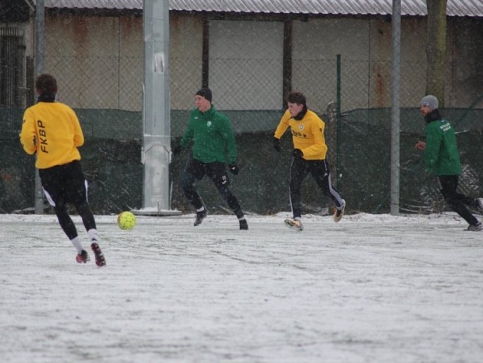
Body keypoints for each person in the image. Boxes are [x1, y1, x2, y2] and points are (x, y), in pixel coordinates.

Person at [20, 73, 106, 266]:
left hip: (49, 169)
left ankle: (81, 251)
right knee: (82, 204)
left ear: (37, 91)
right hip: (71, 165)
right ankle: (94, 239)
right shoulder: (67, 110)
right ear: (56, 90)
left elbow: (27, 139)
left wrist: (33, 148)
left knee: (60, 209)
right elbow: (79, 140)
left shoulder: (32, 112)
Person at [173, 87, 248, 230]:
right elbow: (189, 132)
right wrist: (181, 146)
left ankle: (241, 217)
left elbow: (230, 141)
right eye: (195, 99)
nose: (197, 102)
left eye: (199, 99)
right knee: (185, 183)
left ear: (207, 100)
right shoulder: (194, 115)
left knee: (225, 191)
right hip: (197, 159)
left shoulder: (220, 120)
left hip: (215, 161)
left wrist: (232, 162)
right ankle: (201, 210)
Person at [273, 91, 345, 231]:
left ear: (301, 106)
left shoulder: (314, 121)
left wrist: (303, 152)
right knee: (294, 185)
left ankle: (340, 204)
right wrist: (276, 137)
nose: (289, 109)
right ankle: (297, 220)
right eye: (288, 106)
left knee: (326, 189)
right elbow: (284, 122)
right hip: (300, 160)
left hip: (317, 160)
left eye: (292, 106)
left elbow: (321, 147)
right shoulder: (290, 114)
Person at [415, 95, 483, 231]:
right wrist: (428, 146)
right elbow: (444, 145)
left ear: (432, 107)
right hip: (453, 164)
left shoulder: (433, 127)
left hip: (444, 167)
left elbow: (434, 150)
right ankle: (476, 203)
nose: (421, 109)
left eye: (424, 106)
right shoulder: (445, 123)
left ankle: (475, 222)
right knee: (452, 195)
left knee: (450, 198)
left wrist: (429, 165)